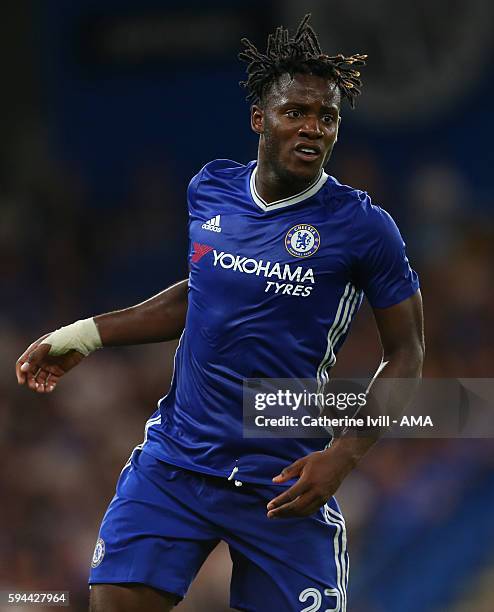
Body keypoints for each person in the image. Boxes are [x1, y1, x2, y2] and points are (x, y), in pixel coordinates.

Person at [16, 14, 424, 612]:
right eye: (296, 113)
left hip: (285, 479)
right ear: (261, 119)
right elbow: (199, 295)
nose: (313, 128)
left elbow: (407, 352)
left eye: (327, 117)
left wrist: (342, 456)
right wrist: (83, 334)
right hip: (176, 463)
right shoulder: (211, 190)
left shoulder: (364, 228)